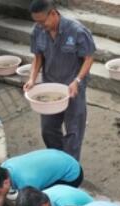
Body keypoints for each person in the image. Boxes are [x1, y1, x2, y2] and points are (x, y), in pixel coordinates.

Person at [24, 0, 95, 161]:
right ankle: (59, 161)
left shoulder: (76, 31)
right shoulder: (38, 30)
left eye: (43, 21)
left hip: (73, 88)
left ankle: (71, 170)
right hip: (50, 86)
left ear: (54, 14)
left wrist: (77, 80)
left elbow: (89, 58)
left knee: (73, 133)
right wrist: (32, 79)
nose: (40, 25)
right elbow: (38, 57)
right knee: (48, 129)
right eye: (37, 22)